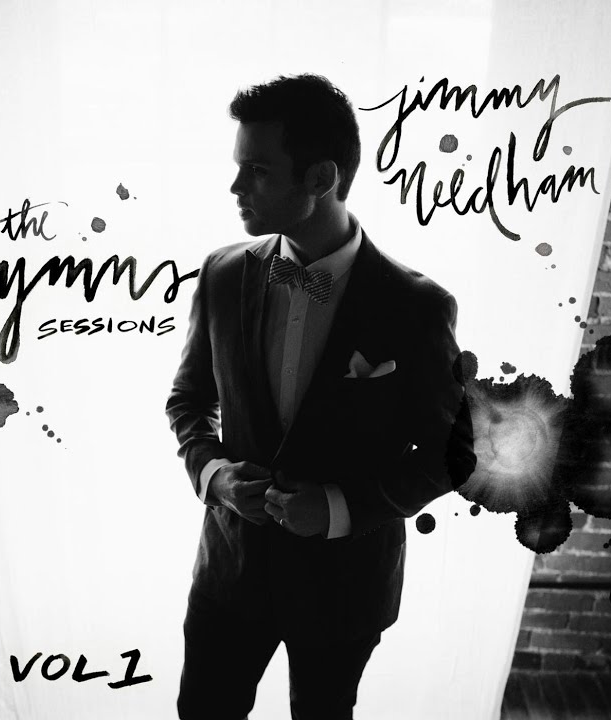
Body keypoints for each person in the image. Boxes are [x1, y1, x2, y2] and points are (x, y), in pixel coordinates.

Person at [166, 73, 473, 720]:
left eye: (257, 171)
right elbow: (188, 401)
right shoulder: (221, 274)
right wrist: (217, 477)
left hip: (346, 587)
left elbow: (453, 452)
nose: (236, 188)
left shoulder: (416, 307)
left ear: (321, 177)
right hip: (230, 572)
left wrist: (337, 508)